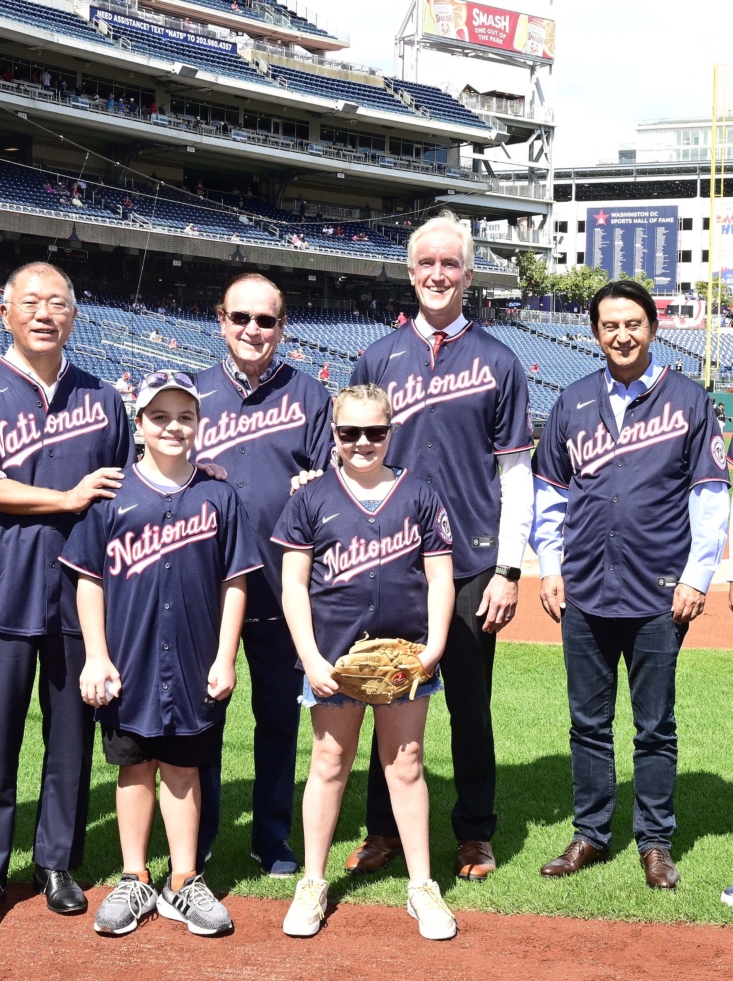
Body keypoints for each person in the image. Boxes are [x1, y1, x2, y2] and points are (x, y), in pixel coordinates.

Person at [0, 262, 135, 930]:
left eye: (57, 303)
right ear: (6, 312)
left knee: (70, 742)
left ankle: (57, 863)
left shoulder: (103, 397)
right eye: (31, 302)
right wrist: (66, 498)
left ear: (74, 316)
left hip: (81, 597)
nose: (44, 313)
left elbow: (126, 495)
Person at [338, 211, 533, 882]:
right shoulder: (377, 357)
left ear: (468, 275)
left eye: (451, 263)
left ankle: (475, 832)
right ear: (411, 271)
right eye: (428, 263)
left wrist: (509, 569)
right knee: (385, 691)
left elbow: (515, 473)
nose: (439, 274)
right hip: (391, 559)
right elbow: (352, 461)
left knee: (468, 706)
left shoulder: (499, 361)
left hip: (472, 560)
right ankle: (383, 828)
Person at [533, 280, 729, 890]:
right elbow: (549, 494)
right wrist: (550, 565)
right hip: (586, 588)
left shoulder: (689, 400)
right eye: (610, 325)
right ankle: (591, 834)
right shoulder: (572, 401)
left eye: (633, 324)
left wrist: (698, 576)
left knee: (654, 726)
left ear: (653, 328)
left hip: (658, 591)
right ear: (595, 333)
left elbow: (710, 496)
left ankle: (655, 841)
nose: (622, 335)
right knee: (587, 724)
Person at [63, 372, 259, 937]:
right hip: (130, 658)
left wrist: (225, 657)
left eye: (185, 417)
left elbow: (235, 582)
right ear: (140, 423)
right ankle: (134, 877)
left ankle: (183, 879)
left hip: (194, 659)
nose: (173, 427)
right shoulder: (112, 493)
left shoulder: (218, 495)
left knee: (184, 767)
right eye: (160, 416)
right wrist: (96, 656)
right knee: (133, 766)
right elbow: (88, 580)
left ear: (199, 424)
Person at [274, 383, 456, 941]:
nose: (362, 442)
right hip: (334, 658)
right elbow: (293, 585)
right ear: (333, 434)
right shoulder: (311, 498)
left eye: (374, 431)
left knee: (406, 764)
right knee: (329, 762)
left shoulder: (419, 493)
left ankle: (422, 885)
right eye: (349, 432)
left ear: (391, 431)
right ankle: (313, 881)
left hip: (405, 659)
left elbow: (440, 577)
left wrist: (434, 647)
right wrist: (310, 657)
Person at [192, 272, 332, 877]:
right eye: (241, 317)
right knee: (203, 719)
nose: (253, 329)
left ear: (282, 326)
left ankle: (272, 836)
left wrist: (317, 487)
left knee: (278, 719)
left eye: (266, 320)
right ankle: (196, 838)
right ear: (221, 319)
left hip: (281, 588)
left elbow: (334, 490)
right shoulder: (191, 394)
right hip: (206, 590)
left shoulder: (310, 396)